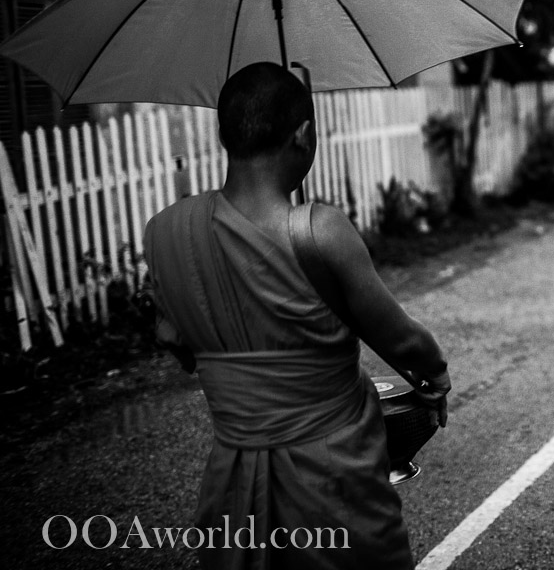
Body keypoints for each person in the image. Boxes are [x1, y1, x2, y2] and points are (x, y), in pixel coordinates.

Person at [144, 62, 451, 570]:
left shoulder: (167, 231)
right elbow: (397, 337)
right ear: (304, 135)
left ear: (225, 136)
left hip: (234, 475)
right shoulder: (318, 230)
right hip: (333, 477)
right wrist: (435, 374)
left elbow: (175, 341)